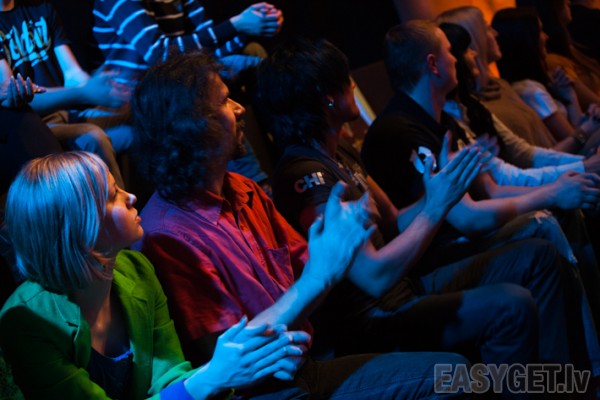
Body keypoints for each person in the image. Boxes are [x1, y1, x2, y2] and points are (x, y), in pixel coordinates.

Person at [131, 51, 471, 399]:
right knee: (455, 373)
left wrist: (340, 245)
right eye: (224, 101)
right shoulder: (169, 234)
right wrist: (327, 267)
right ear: (193, 126)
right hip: (263, 391)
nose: (240, 108)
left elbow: (309, 273)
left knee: (455, 372)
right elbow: (233, 359)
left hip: (304, 363)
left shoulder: (244, 188)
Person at [0, 151, 319, 399]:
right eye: (112, 195)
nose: (131, 196)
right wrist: (213, 376)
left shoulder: (136, 269)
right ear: (79, 228)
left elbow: (169, 378)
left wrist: (249, 362)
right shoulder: (27, 320)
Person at [439, 21, 593, 185]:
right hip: (531, 187)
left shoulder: (476, 102)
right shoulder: (451, 116)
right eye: (465, 50)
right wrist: (583, 164)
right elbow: (503, 179)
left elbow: (523, 153)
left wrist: (583, 164)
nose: (474, 53)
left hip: (539, 181)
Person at [0, 0, 130, 188]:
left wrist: (99, 87)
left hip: (67, 111)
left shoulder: (39, 7)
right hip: (37, 126)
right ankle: (112, 205)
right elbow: (16, 98)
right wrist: (84, 93)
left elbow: (72, 74)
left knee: (137, 110)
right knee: (92, 137)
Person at [492, 7, 600, 149]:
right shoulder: (531, 90)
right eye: (540, 31)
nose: (546, 37)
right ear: (526, 40)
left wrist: (570, 96)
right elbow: (577, 140)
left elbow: (577, 128)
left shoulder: (533, 84)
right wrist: (593, 122)